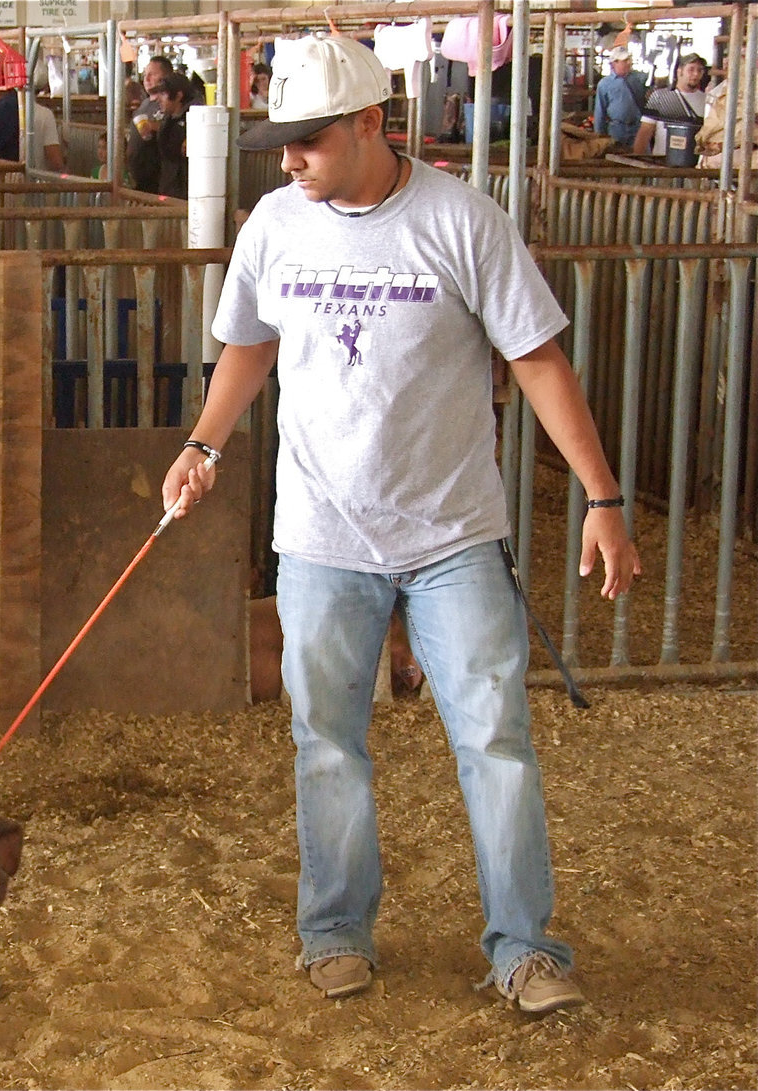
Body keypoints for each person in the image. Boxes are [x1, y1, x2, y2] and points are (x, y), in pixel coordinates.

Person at [161, 35, 640, 1014]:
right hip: (320, 537)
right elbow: (247, 343)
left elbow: (538, 360)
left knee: (496, 736)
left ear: (373, 124)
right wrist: (204, 443)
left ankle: (525, 948)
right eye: (280, 142)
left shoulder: (462, 222)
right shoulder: (274, 226)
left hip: (453, 535)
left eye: (308, 141)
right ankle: (334, 929)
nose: (288, 160)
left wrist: (601, 496)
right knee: (326, 736)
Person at [633, 53, 707, 155]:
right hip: (662, 161)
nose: (696, 74)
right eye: (691, 69)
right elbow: (645, 132)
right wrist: (638, 159)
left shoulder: (707, 100)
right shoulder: (659, 97)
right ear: (679, 71)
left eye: (700, 70)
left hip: (694, 162)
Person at [126, 55, 175, 193]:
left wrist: (154, 127)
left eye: (152, 74)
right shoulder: (144, 105)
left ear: (167, 76)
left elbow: (176, 131)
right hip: (138, 179)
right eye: (145, 74)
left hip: (159, 181)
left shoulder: (171, 105)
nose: (146, 79)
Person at [150, 71, 194, 199]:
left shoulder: (194, 120)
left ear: (179, 95)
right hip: (168, 187)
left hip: (184, 191)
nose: (159, 98)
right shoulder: (168, 119)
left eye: (163, 94)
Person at [594, 46, 647, 147]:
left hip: (638, 127)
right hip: (617, 128)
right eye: (625, 60)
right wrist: (599, 134)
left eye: (629, 59)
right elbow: (600, 110)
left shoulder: (639, 78)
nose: (629, 62)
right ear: (614, 62)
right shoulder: (605, 84)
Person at [29, 96, 64, 171]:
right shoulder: (44, 114)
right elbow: (55, 160)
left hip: (2, 179)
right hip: (36, 178)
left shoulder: (0, 112)